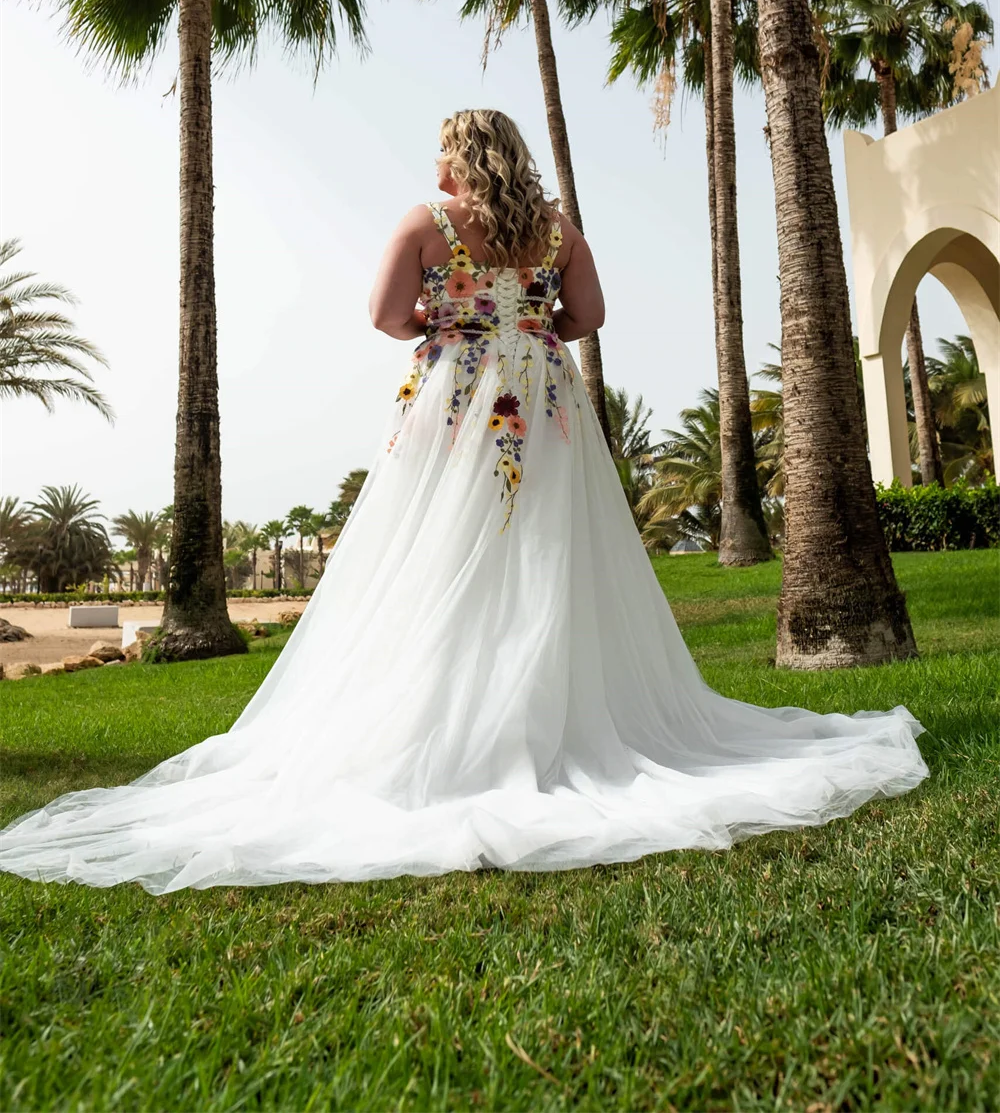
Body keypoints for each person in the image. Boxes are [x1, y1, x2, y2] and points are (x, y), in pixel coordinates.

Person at [0, 109, 927, 894]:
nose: (433, 163)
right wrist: (532, 321)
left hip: (459, 394)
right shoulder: (555, 227)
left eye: (441, 148)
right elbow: (590, 315)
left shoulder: (425, 223)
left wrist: (447, 323)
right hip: (546, 398)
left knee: (439, 553)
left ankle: (457, 717)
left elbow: (380, 316)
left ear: (456, 158)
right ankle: (546, 709)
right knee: (548, 555)